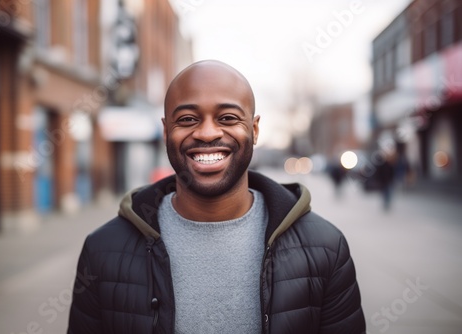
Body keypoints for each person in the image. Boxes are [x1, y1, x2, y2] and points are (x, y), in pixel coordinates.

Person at [67, 60, 366, 333]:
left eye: (227, 117)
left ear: (255, 129)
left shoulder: (325, 248)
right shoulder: (102, 250)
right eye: (186, 119)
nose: (208, 133)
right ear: (165, 131)